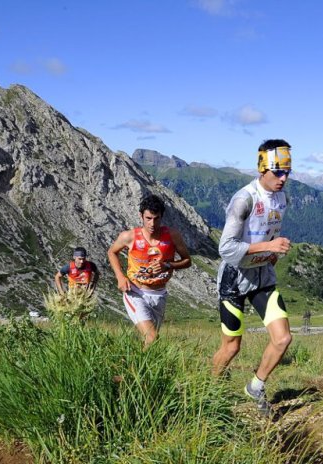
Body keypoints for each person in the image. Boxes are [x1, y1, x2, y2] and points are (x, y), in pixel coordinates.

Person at [211, 139, 293, 414]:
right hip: (234, 278)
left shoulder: (283, 198)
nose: (283, 178)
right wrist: (269, 246)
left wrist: (273, 251)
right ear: (262, 169)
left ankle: (255, 387)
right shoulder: (243, 200)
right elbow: (226, 248)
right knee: (232, 347)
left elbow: (267, 231)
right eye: (277, 172)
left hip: (263, 276)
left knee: (282, 338)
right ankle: (211, 390)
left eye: (287, 172)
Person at [107, 194, 192, 345]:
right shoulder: (130, 236)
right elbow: (112, 252)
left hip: (159, 294)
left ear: (162, 217)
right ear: (141, 216)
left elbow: (187, 261)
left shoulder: (172, 236)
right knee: (152, 337)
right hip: (135, 292)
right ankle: (141, 369)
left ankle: (136, 365)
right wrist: (120, 276)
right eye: (148, 218)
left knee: (150, 340)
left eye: (156, 218)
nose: (152, 223)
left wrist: (168, 265)